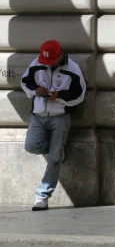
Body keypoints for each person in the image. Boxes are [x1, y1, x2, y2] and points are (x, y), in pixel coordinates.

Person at [21, 40, 86, 211]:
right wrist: (36, 90)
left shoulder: (73, 68)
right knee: (31, 146)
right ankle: (57, 153)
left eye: (52, 61)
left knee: (54, 159)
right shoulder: (36, 63)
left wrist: (59, 96)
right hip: (38, 115)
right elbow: (25, 81)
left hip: (60, 117)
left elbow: (79, 94)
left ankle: (42, 197)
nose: (48, 64)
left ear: (61, 54)